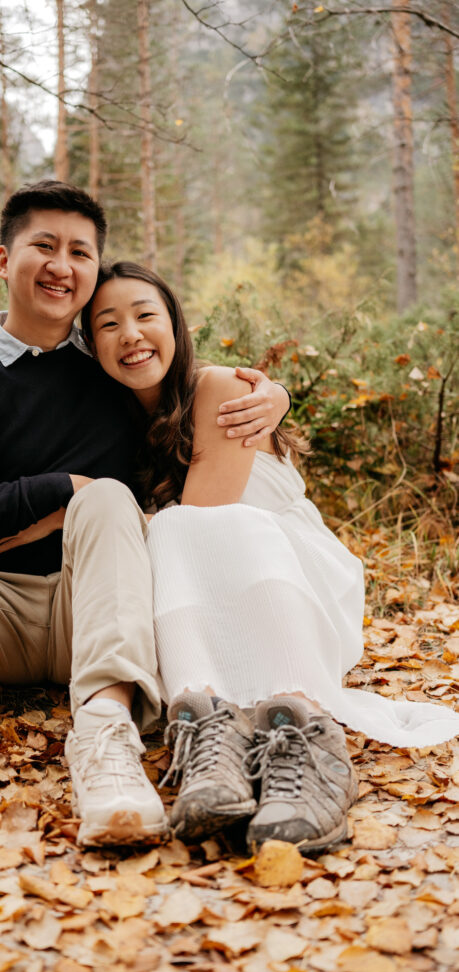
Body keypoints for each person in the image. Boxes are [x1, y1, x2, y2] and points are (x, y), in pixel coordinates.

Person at [0, 181, 291, 870]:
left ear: (92, 272)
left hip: (98, 612)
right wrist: (59, 488)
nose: (62, 264)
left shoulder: (110, 370)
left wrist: (271, 395)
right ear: (2, 258)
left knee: (108, 498)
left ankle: (107, 736)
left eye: (80, 251)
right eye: (43, 246)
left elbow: (184, 392)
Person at [82, 261, 459, 853]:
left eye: (145, 315)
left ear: (176, 325)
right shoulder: (116, 422)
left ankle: (303, 731)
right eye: (107, 324)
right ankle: (211, 734)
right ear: (91, 344)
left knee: (180, 528)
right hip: (206, 598)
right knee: (167, 534)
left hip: (291, 582)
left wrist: (78, 504)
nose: (129, 333)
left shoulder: (223, 389)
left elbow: (204, 519)